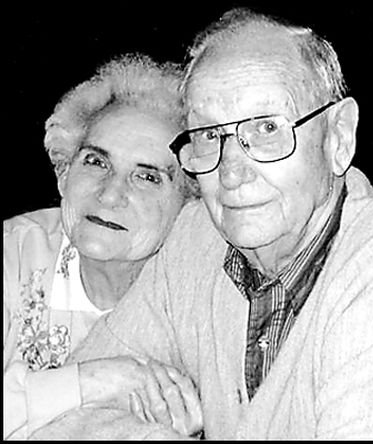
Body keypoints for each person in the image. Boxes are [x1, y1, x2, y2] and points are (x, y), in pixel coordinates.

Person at [29, 7, 373, 440]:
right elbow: (67, 409)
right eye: (208, 135)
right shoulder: (196, 239)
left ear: (339, 137)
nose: (231, 172)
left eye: (266, 128)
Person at [3, 53, 200, 440]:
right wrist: (97, 380)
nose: (110, 195)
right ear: (64, 174)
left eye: (147, 177)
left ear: (189, 206)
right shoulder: (13, 255)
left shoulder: (204, 297)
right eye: (96, 161)